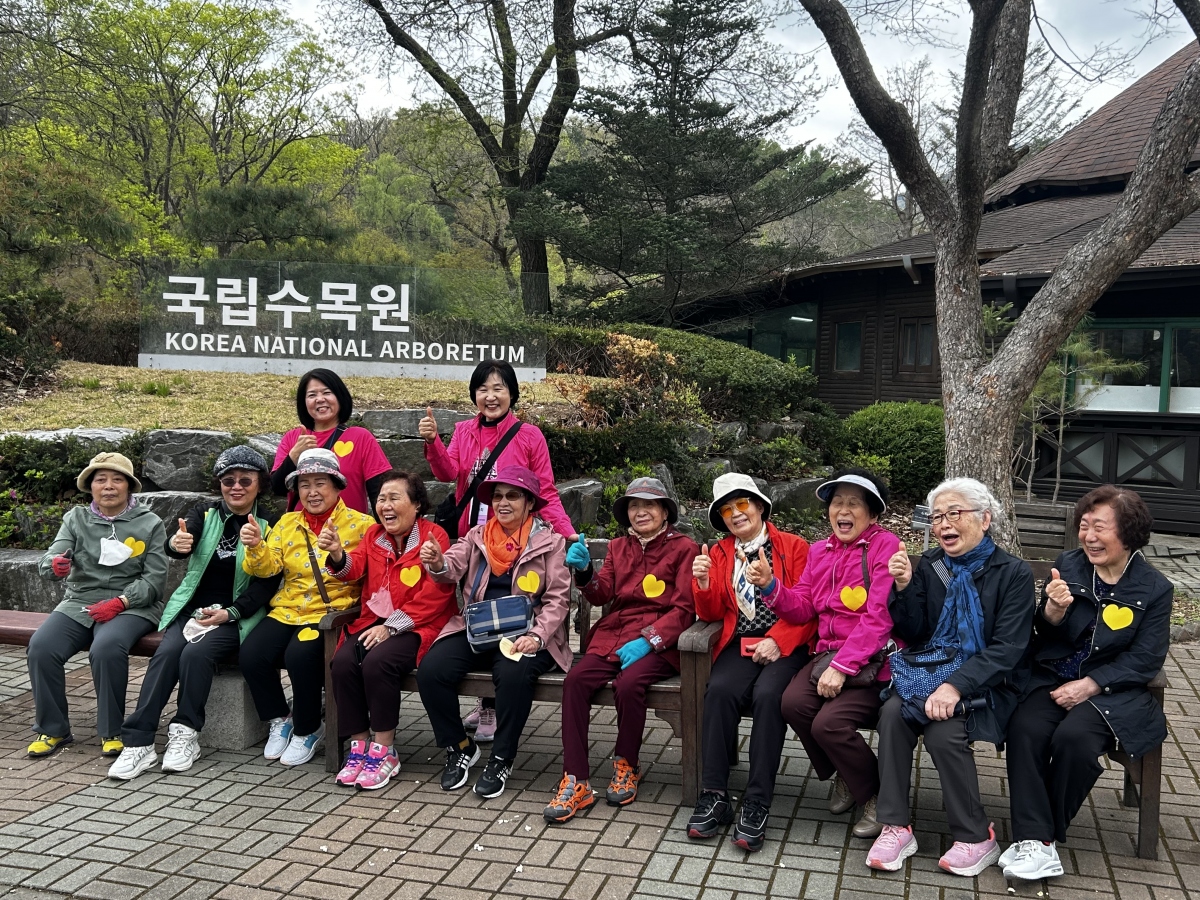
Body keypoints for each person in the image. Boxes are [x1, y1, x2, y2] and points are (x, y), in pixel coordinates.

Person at [1000, 486, 1171, 881]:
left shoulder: (1154, 588)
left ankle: (1038, 839)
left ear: (1128, 532)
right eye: (1084, 526)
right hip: (1055, 678)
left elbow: (1146, 658)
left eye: (1100, 527)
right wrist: (1052, 611)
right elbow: (1045, 633)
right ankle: (1038, 842)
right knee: (1024, 729)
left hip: (1112, 691)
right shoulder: (1069, 565)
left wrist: (1092, 684)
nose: (1089, 536)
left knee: (1074, 740)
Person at [868, 477, 1034, 877]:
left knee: (944, 733)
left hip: (989, 684)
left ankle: (976, 837)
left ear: (985, 519)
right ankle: (895, 826)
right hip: (931, 676)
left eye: (954, 513)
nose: (944, 523)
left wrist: (956, 685)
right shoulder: (931, 565)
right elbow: (914, 632)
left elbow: (1007, 648)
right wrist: (904, 586)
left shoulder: (1013, 573)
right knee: (891, 714)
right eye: (938, 516)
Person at [420, 359, 587, 741]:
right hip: (477, 540)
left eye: (499, 388)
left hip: (518, 538)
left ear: (512, 393)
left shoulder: (529, 435)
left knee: (506, 612)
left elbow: (545, 491)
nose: (490, 396)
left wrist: (568, 534)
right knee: (479, 612)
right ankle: (486, 702)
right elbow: (448, 473)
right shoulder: (463, 431)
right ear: (474, 395)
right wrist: (433, 443)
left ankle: (492, 706)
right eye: (483, 389)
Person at [108, 446, 281, 780]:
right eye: (228, 480)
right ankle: (139, 741)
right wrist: (176, 544)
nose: (236, 487)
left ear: (260, 484)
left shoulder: (271, 523)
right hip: (194, 610)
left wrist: (231, 612)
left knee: (195, 655)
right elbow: (183, 538)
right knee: (167, 654)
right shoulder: (205, 512)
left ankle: (185, 732)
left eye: (245, 480)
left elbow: (268, 583)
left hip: (238, 615)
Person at [544, 477, 699, 823]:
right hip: (614, 635)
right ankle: (576, 779)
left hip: (660, 643)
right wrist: (585, 570)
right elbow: (601, 594)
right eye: (633, 505)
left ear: (665, 512)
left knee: (629, 685)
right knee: (576, 681)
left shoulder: (684, 548)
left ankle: (627, 763)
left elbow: (685, 609)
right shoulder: (618, 547)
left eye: (649, 505)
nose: (640, 511)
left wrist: (649, 640)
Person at [417, 464, 572, 800]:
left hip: (529, 631)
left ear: (529, 503)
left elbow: (558, 600)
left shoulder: (551, 542)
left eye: (512, 496)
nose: (503, 503)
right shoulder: (477, 536)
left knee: (513, 673)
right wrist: (437, 562)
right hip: (479, 628)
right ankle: (460, 746)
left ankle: (502, 758)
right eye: (498, 496)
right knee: (431, 670)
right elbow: (450, 567)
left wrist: (537, 637)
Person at [687, 473, 816, 852]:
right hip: (741, 642)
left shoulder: (793, 547)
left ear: (759, 506)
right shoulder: (719, 552)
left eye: (742, 503)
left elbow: (810, 608)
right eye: (727, 509)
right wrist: (704, 583)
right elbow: (711, 613)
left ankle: (757, 800)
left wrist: (779, 640)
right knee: (719, 690)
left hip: (787, 643)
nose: (735, 513)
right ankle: (714, 794)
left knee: (768, 695)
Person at [775, 469, 901, 839]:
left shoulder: (886, 546)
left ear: (872, 513)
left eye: (853, 503)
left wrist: (844, 665)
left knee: (827, 725)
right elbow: (803, 606)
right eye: (837, 503)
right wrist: (770, 586)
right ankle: (849, 773)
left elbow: (880, 617)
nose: (843, 510)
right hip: (827, 656)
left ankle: (876, 794)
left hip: (873, 662)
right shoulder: (820, 550)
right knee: (792, 704)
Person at [323, 471, 457, 790]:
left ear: (417, 504)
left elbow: (437, 595)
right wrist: (337, 554)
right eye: (381, 499)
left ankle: (384, 750)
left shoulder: (434, 536)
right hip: (375, 622)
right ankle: (359, 747)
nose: (385, 505)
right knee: (342, 663)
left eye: (394, 498)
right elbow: (354, 568)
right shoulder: (373, 535)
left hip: (420, 625)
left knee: (377, 662)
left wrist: (391, 627)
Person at [29, 452, 168, 758]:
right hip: (80, 600)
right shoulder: (75, 519)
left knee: (106, 648)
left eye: (117, 479)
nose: (108, 486)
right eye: (100, 479)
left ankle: (112, 730)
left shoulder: (150, 523)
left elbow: (155, 580)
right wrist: (55, 565)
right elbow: (51, 558)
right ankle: (53, 728)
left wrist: (121, 601)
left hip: (133, 605)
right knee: (41, 647)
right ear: (90, 486)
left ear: (128, 486)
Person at [240, 448, 374, 766]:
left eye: (320, 483)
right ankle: (281, 718)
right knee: (252, 654)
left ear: (337, 486)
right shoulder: (287, 523)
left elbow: (366, 573)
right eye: (304, 485)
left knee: (299, 656)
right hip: (288, 609)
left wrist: (339, 554)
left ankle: (308, 727)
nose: (312, 492)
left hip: (331, 612)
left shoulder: (362, 524)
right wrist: (256, 546)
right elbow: (269, 568)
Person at [271, 368, 391, 514]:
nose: (320, 399)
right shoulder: (292, 438)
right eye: (312, 395)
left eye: (327, 393)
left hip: (349, 527)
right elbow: (277, 488)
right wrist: (294, 456)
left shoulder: (361, 437)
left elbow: (380, 491)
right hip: (300, 527)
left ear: (340, 397)